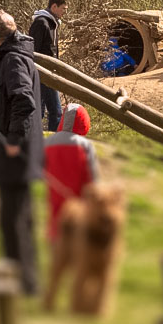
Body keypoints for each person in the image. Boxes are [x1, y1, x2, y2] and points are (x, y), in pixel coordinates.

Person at [0, 10, 43, 295]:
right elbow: (11, 101)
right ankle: (25, 282)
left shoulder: (13, 59)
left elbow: (24, 101)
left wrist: (15, 139)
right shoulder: (11, 57)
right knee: (19, 219)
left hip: (16, 153)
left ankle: (20, 285)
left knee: (13, 221)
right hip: (18, 150)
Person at [42, 103, 100, 241]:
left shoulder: (48, 142)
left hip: (55, 196)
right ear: (83, 121)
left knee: (56, 229)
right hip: (79, 200)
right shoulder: (85, 145)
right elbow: (93, 175)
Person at [30, 0, 68, 132]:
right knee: (55, 111)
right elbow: (33, 50)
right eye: (63, 9)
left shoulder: (53, 23)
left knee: (39, 111)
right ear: (54, 7)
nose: (64, 12)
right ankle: (50, 139)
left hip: (49, 72)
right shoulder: (41, 23)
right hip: (41, 74)